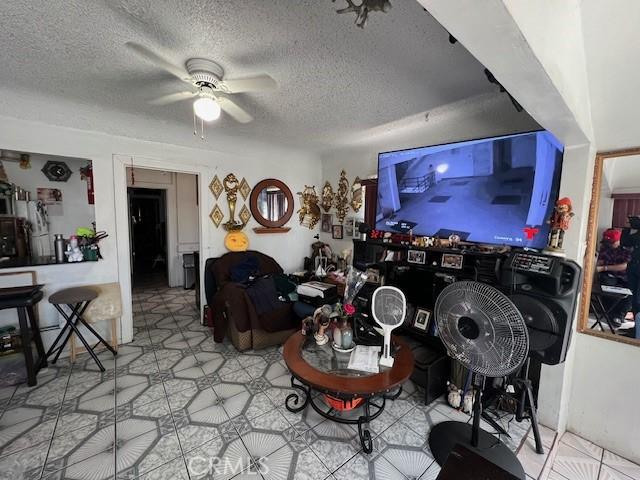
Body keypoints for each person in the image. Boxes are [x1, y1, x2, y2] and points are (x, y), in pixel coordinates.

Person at [597, 229, 632, 327]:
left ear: (618, 241)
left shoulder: (627, 249)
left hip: (625, 275)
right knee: (605, 284)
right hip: (609, 274)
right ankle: (610, 313)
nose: (609, 244)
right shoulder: (605, 247)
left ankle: (619, 315)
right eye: (607, 242)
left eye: (611, 242)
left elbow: (625, 266)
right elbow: (601, 261)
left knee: (632, 291)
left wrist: (605, 267)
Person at [621, 216, 640, 338]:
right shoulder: (637, 235)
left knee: (638, 299)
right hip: (634, 267)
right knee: (634, 298)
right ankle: (635, 328)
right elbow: (624, 242)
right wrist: (627, 228)